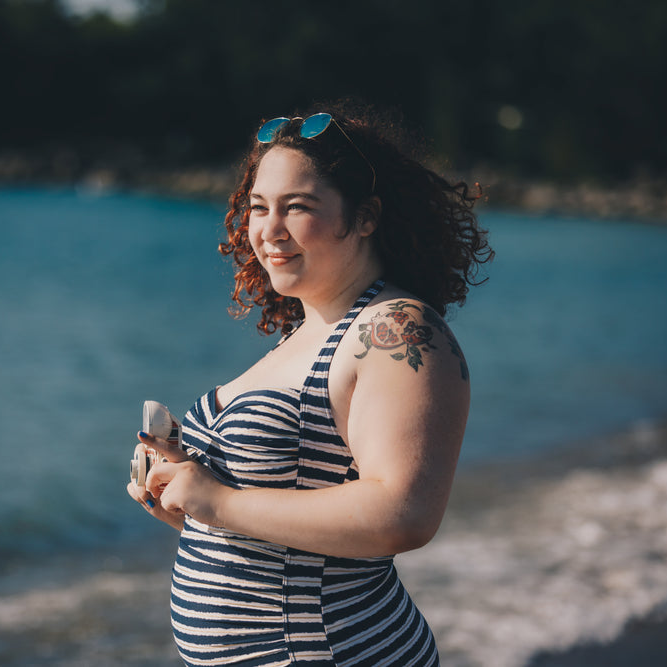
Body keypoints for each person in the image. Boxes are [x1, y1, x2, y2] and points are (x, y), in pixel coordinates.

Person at [127, 99, 492, 666]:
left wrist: (219, 501)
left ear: (366, 216)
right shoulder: (309, 330)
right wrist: (184, 493)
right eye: (258, 207)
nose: (269, 230)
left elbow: (405, 513)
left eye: (297, 208)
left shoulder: (397, 329)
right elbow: (286, 506)